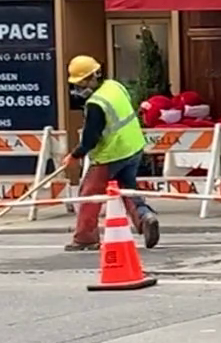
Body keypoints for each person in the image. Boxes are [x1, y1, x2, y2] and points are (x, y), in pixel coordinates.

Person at [63, 55, 159, 253]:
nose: (79, 88)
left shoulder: (96, 103)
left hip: (110, 154)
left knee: (89, 195)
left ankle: (85, 238)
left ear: (94, 76)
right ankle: (144, 217)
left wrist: (74, 155)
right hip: (133, 147)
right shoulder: (115, 86)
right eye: (77, 83)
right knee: (127, 189)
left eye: (82, 82)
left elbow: (90, 138)